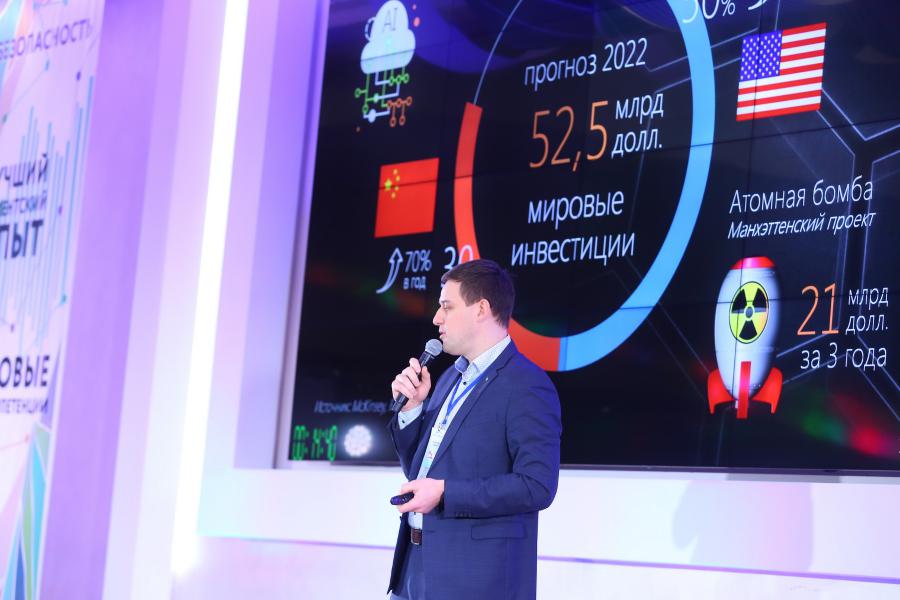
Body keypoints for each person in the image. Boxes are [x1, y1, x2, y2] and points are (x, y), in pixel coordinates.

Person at [387, 259, 561, 600]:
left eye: (447, 307)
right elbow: (420, 472)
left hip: (474, 580)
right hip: (415, 567)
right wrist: (412, 410)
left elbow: (537, 485)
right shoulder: (450, 377)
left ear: (481, 309)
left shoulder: (526, 384)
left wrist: (445, 493)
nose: (437, 318)